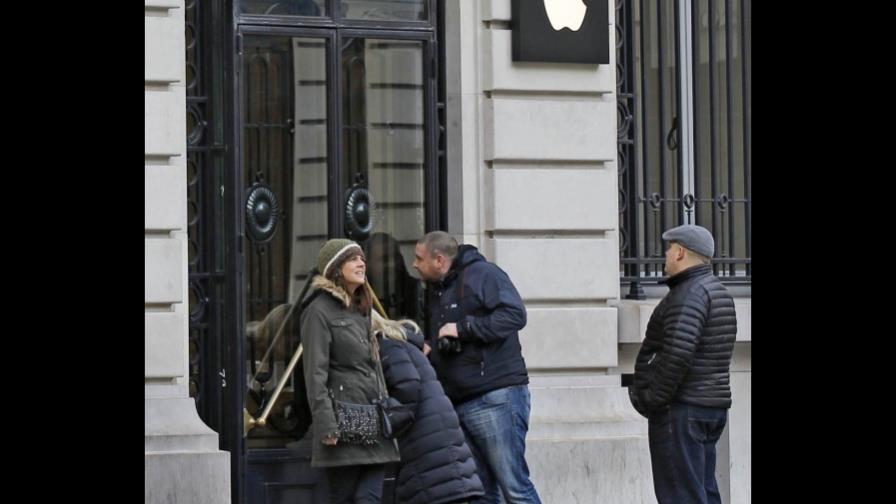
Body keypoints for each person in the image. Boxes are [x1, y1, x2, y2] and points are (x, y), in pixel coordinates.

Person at [412, 231, 542, 504]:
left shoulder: (484, 275)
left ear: (438, 260)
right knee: (480, 493)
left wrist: (462, 328)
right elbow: (451, 340)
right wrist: (432, 348)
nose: (413, 264)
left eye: (419, 258)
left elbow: (514, 315)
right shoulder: (439, 289)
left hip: (495, 397)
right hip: (462, 399)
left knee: (514, 488)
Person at [628, 224, 737, 504]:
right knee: (704, 490)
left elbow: (677, 354)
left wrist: (654, 400)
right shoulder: (717, 291)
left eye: (669, 248)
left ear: (680, 252)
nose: (665, 255)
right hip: (707, 408)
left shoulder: (688, 294)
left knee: (681, 494)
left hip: (681, 409)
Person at [300, 238, 400, 503]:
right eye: (353, 259)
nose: (361, 263)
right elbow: (314, 374)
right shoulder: (318, 312)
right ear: (335, 268)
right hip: (344, 425)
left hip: (375, 421)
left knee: (370, 497)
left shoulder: (362, 308)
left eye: (362, 258)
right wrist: (326, 425)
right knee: (344, 498)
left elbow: (374, 368)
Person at [371, 310, 485, 504]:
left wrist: (377, 418)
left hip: (429, 448)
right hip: (436, 446)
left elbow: (407, 389)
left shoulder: (386, 346)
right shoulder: (400, 343)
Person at [365, 232, 423, 323]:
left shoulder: (416, 290)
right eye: (384, 259)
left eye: (396, 257)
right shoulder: (358, 293)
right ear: (367, 264)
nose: (392, 264)